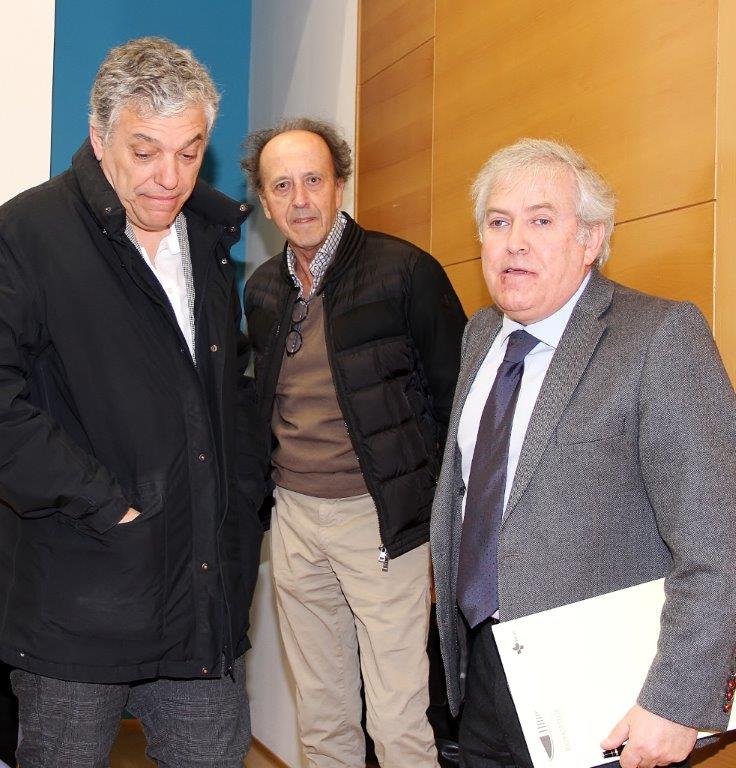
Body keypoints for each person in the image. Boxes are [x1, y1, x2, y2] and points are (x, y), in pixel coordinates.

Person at [0, 37, 266, 768]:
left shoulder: (208, 239)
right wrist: (101, 502)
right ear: (99, 139)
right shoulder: (28, 233)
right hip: (78, 602)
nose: (169, 178)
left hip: (199, 603)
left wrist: (242, 502)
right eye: (145, 151)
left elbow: (230, 394)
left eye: (189, 152)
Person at [430, 138, 736, 768]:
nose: (515, 243)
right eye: (498, 222)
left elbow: (718, 539)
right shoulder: (481, 334)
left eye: (541, 221)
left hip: (609, 698)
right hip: (486, 672)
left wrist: (677, 701)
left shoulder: (659, 337)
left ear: (591, 239)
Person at [242, 117, 467, 768]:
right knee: (322, 719)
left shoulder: (405, 272)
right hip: (294, 520)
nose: (300, 200)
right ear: (265, 203)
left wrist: (440, 522)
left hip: (381, 521)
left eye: (313, 180)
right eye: (282, 186)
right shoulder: (262, 291)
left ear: (340, 184)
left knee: (397, 723)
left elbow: (457, 400)